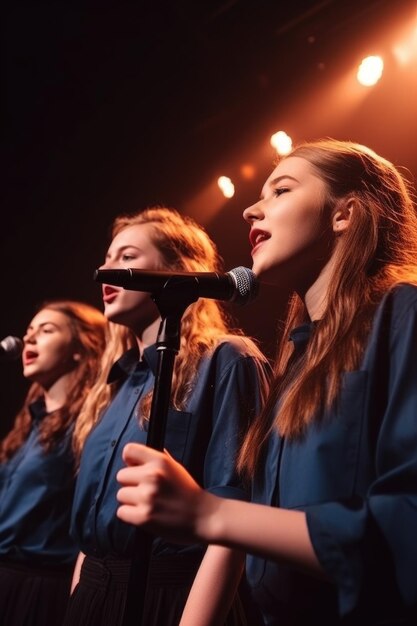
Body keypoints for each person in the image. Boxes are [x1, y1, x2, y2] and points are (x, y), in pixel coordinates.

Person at [115, 139, 417, 625]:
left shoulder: (402, 313)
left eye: (281, 190)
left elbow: (405, 528)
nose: (251, 210)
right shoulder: (299, 354)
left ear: (345, 214)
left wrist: (208, 513)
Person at [64, 206, 270, 626]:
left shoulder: (225, 360)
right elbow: (92, 530)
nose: (108, 269)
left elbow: (234, 519)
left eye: (127, 256)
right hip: (94, 597)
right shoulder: (114, 383)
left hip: (174, 600)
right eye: (107, 258)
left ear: (178, 270)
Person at [0, 300, 108, 626]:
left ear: (80, 348)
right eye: (29, 331)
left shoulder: (89, 426)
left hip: (38, 586)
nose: (28, 339)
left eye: (46, 331)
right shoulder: (29, 423)